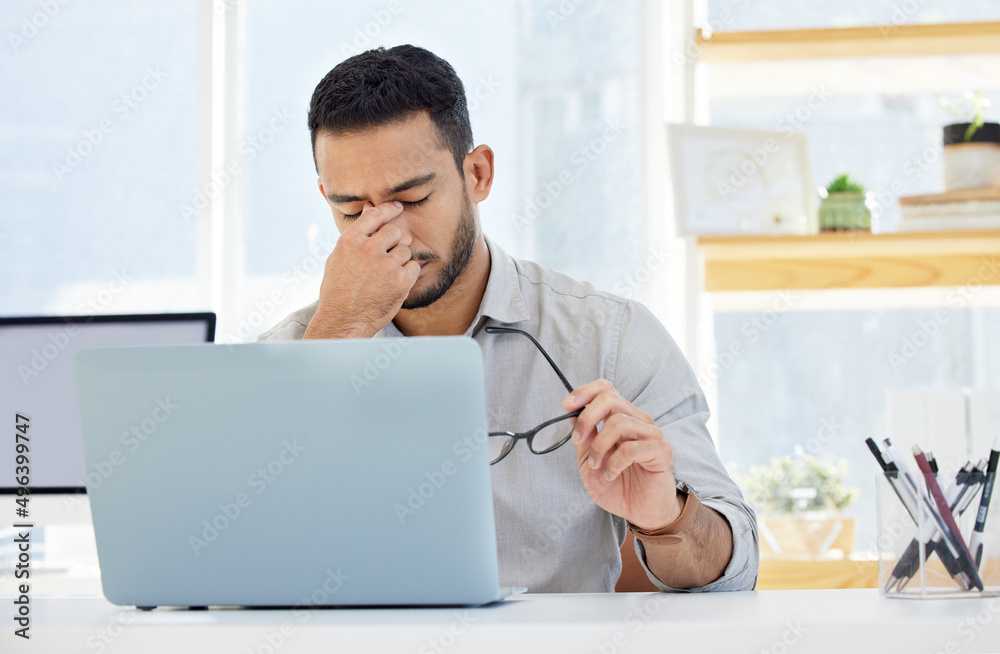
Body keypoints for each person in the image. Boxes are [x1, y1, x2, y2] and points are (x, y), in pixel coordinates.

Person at [259, 44, 758, 593]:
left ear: (477, 174)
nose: (388, 234)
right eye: (353, 211)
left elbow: (733, 576)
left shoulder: (608, 338)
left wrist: (668, 520)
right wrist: (340, 334)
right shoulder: (293, 351)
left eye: (415, 198)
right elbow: (230, 553)